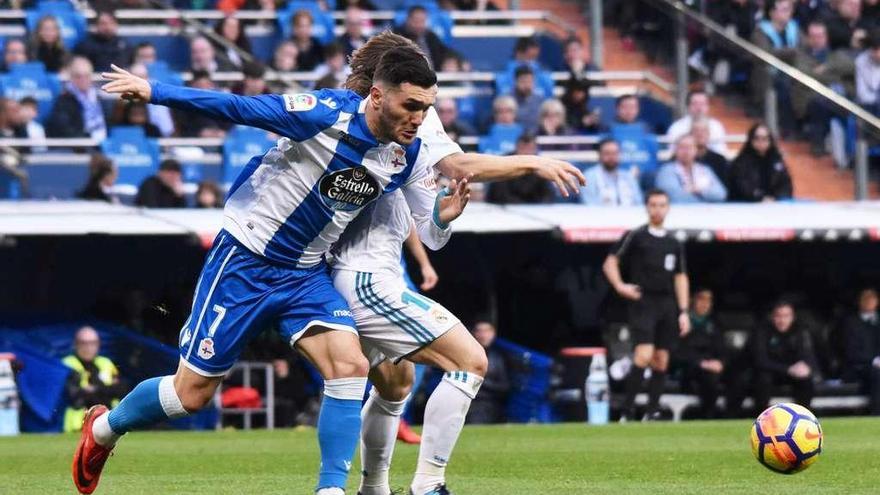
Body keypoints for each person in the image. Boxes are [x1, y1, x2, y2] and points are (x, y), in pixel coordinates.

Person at [80, 47, 453, 495]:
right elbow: (240, 107)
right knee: (190, 396)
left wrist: (444, 216)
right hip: (245, 262)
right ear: (376, 96)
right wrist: (154, 91)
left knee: (350, 365)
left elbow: (427, 214)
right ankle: (104, 428)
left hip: (305, 274)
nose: (418, 119)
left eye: (426, 109)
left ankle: (330, 489)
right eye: (410, 106)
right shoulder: (323, 114)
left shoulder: (404, 157)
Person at [340, 31, 584, 495]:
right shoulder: (400, 118)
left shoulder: (370, 117)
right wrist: (531, 162)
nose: (422, 108)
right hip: (364, 273)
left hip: (359, 269)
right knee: (469, 361)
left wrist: (442, 217)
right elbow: (456, 165)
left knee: (395, 384)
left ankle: (374, 490)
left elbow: (425, 225)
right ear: (387, 84)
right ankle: (428, 484)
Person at [603, 189, 691, 422]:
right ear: (647, 207)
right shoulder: (635, 235)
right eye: (653, 204)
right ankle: (627, 410)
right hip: (643, 301)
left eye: (662, 205)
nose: (658, 209)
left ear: (668, 208)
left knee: (662, 358)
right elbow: (610, 262)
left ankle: (651, 411)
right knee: (643, 354)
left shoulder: (674, 241)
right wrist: (620, 286)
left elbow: (681, 277)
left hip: (667, 303)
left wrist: (683, 311)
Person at [791, 21, 855, 156]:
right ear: (807, 38)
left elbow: (852, 68)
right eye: (813, 36)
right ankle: (818, 146)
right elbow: (805, 76)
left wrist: (826, 68)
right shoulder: (801, 55)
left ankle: (850, 153)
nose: (816, 40)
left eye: (820, 36)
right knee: (818, 103)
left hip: (838, 99)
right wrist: (835, 77)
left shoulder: (836, 54)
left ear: (826, 36)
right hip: (811, 98)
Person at [752, 301, 816, 414]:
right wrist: (788, 369)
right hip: (771, 371)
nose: (782, 320)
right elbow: (760, 360)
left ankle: (804, 416)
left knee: (806, 380)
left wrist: (806, 367)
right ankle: (762, 418)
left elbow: (808, 354)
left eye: (786, 316)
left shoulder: (800, 331)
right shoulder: (762, 331)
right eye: (778, 316)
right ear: (772, 317)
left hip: (792, 373)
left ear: (792, 317)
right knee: (763, 379)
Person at [62, 326, 125, 433]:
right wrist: (105, 390)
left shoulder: (106, 363)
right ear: (76, 344)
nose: (88, 347)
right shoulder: (67, 364)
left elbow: (121, 389)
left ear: (98, 345)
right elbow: (75, 395)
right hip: (78, 426)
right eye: (84, 343)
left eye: (92, 343)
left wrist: (94, 389)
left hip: (109, 424)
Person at [675, 288, 725, 419]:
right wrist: (700, 363)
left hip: (713, 367)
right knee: (709, 379)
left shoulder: (715, 324)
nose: (705, 303)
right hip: (689, 368)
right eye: (701, 298)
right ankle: (707, 417)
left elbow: (722, 349)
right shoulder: (682, 322)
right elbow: (677, 352)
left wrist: (720, 362)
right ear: (692, 300)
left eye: (709, 300)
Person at [728, 123, 793, 202]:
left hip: (775, 203)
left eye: (765, 138)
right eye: (757, 138)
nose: (761, 142)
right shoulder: (740, 163)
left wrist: (775, 198)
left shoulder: (777, 161)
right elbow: (742, 187)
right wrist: (760, 198)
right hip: (747, 205)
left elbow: (786, 184)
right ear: (751, 140)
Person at [46, 57, 107, 139]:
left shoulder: (99, 98)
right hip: (79, 146)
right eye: (78, 76)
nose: (83, 80)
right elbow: (65, 129)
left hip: (102, 143)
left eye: (87, 75)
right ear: (71, 77)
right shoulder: (64, 100)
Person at [841, 288, 880, 415]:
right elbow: (850, 352)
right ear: (860, 302)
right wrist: (874, 360)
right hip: (859, 367)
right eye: (866, 299)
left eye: (872, 299)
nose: (869, 302)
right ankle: (877, 414)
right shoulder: (851, 323)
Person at [655, 135, 727, 203]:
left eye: (690, 147)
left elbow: (721, 194)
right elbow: (674, 197)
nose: (686, 151)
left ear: (696, 151)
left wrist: (699, 190)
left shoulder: (705, 170)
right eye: (682, 147)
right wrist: (704, 199)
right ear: (675, 150)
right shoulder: (666, 170)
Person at [486, 134, 555, 204]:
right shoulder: (505, 163)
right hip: (504, 207)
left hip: (534, 208)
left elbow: (548, 194)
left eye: (530, 149)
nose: (526, 153)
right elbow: (499, 194)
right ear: (516, 148)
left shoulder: (541, 165)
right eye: (523, 149)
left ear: (535, 150)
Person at [465, 320, 510, 425]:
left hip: (490, 405)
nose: (483, 335)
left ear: (493, 333)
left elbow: (505, 387)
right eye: (479, 331)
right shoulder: (466, 355)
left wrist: (480, 381)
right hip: (469, 402)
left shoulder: (499, 357)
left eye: (487, 331)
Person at [581, 138, 643, 206]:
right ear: (599, 155)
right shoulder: (589, 176)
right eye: (607, 153)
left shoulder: (628, 176)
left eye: (615, 153)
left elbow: (639, 202)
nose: (611, 157)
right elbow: (589, 203)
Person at [665, 90, 728, 154]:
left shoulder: (717, 126)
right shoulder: (676, 127)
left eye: (702, 104)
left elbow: (720, 151)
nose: (699, 108)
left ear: (708, 106)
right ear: (688, 106)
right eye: (695, 104)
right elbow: (672, 152)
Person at [691, 118, 729, 188]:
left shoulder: (719, 160)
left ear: (708, 134)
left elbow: (724, 186)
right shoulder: (679, 158)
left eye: (703, 131)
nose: (700, 134)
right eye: (696, 130)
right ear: (690, 134)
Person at [511, 65, 545, 133]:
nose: (527, 85)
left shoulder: (540, 101)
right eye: (523, 81)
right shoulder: (508, 101)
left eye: (530, 81)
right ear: (515, 82)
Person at [856, 33, 880, 114]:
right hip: (870, 105)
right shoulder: (861, 60)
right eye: (874, 49)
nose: (877, 53)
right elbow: (862, 93)